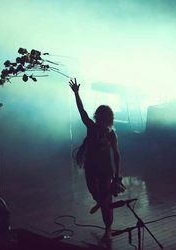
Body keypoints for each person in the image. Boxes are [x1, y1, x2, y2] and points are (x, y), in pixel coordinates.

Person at [69, 78, 121, 240]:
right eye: (99, 117)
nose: (101, 120)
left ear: (108, 119)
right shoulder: (91, 128)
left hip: (105, 170)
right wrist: (77, 93)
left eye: (103, 117)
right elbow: (81, 111)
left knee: (106, 201)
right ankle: (100, 201)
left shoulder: (111, 134)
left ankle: (108, 229)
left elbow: (117, 155)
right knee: (94, 192)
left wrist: (117, 176)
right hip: (91, 167)